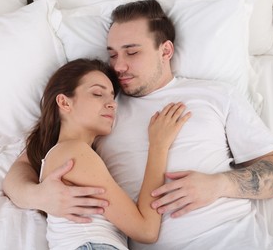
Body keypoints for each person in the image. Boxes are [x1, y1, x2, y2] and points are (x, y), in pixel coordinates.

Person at [3, 0, 273, 249]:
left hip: (235, 239)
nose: (118, 66)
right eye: (113, 54)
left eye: (132, 52)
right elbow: (26, 165)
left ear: (165, 51)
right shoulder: (102, 110)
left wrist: (218, 184)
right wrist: (38, 196)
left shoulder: (215, 95)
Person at [19, 58, 191, 250]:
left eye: (111, 97)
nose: (112, 104)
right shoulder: (73, 153)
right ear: (64, 102)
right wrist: (158, 147)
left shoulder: (66, 154)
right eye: (97, 93)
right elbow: (146, 230)